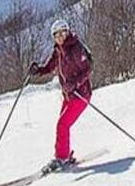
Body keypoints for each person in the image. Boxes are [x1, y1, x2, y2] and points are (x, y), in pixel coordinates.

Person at [27, 20, 93, 173]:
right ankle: (64, 154)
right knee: (62, 125)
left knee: (62, 125)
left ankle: (61, 158)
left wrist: (75, 83)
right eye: (56, 35)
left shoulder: (75, 48)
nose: (60, 37)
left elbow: (88, 69)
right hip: (69, 96)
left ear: (67, 32)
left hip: (81, 95)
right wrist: (38, 70)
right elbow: (50, 67)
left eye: (63, 33)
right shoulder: (58, 50)